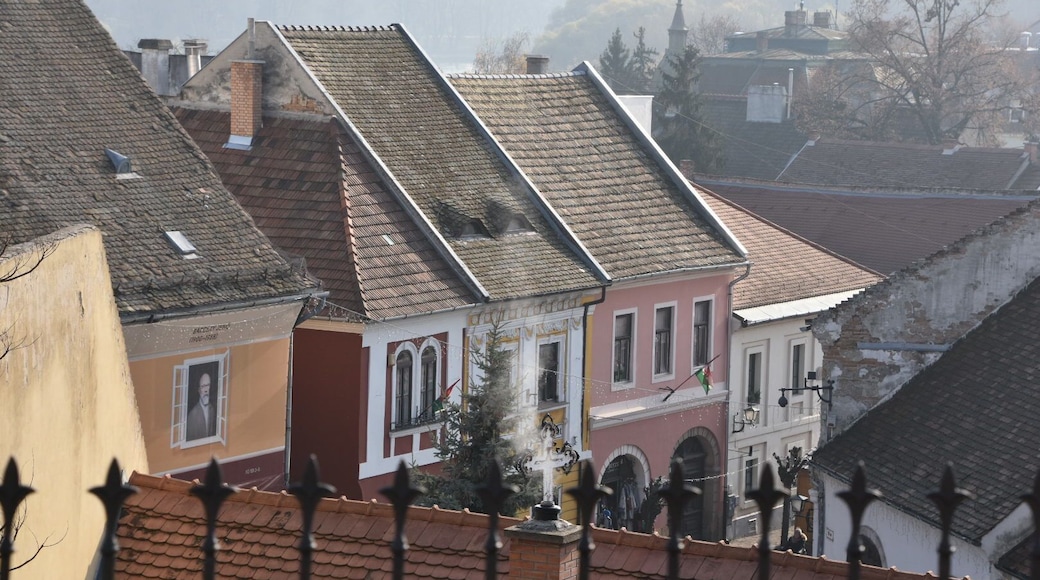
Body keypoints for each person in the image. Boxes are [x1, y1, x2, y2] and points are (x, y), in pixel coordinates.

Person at [186, 372, 217, 440]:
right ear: (199, 390)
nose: (206, 390)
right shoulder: (192, 415)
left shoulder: (212, 409)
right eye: (203, 386)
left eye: (208, 385)